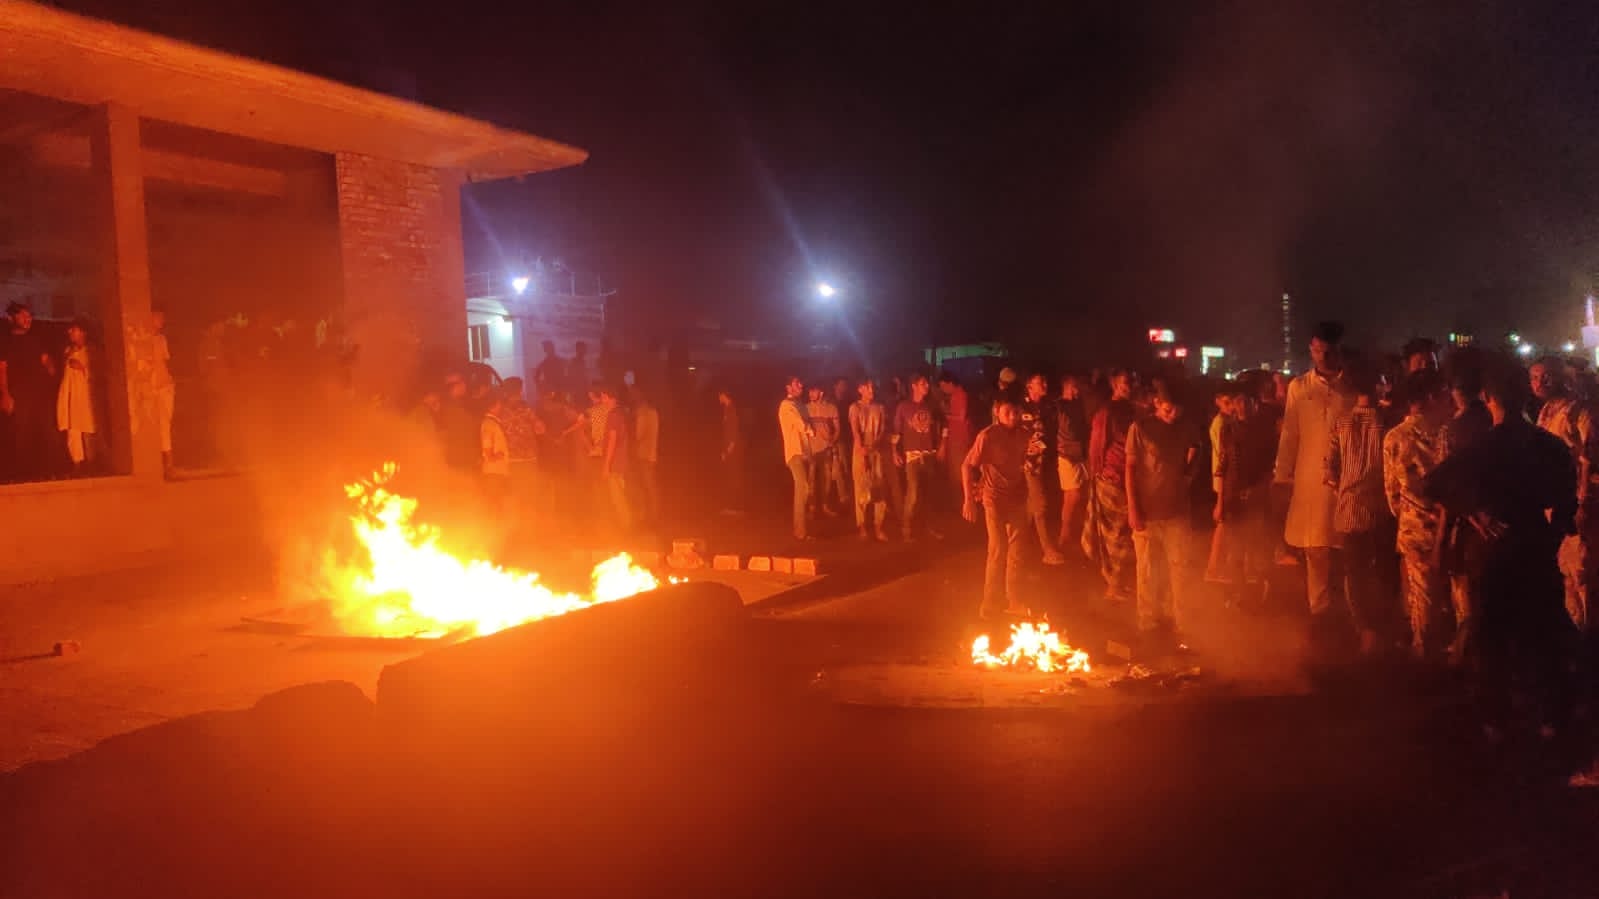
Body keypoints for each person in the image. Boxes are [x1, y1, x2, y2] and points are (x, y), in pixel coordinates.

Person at [1423, 359, 1578, 735]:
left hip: (1490, 552)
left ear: (1488, 398)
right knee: (1542, 632)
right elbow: (1566, 500)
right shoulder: (1549, 446)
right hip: (1534, 545)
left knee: (1490, 635)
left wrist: (1473, 511)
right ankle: (1550, 715)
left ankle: (1496, 715)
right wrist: (1551, 536)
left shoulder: (1481, 447)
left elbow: (1432, 485)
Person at [1274, 321, 1347, 625]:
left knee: (1344, 547)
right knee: (1315, 548)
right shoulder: (1299, 387)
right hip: (1309, 480)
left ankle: (1348, 612)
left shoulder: (1351, 388)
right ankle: (1320, 612)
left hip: (1345, 481)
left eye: (1328, 351)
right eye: (1317, 351)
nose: (1322, 357)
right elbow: (1290, 433)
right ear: (1311, 350)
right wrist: (1282, 472)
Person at [1125, 384, 1201, 649]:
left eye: (1177, 410)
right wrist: (1133, 508)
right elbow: (1130, 469)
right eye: (1168, 410)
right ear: (1157, 403)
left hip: (1177, 511)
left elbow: (1197, 450)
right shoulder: (1140, 428)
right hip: (1147, 511)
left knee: (1180, 569)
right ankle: (1147, 623)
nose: (1172, 415)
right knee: (1147, 570)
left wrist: (1187, 478)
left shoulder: (1187, 427)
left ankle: (1182, 624)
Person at [1324, 366, 1393, 654]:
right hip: (1380, 509)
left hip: (1349, 509)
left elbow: (1329, 469)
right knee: (1382, 572)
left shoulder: (1341, 421)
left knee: (1355, 574)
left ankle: (1364, 629)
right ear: (1376, 388)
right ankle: (1383, 629)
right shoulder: (1386, 421)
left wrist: (1341, 487)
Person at [1383, 369, 1451, 658]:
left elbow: (1392, 493)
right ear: (1431, 397)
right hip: (1454, 525)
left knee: (1422, 595)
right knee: (1459, 595)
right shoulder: (1447, 433)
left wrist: (1409, 513)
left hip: (1415, 527)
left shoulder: (1394, 437)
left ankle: (1424, 653)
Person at [1530, 356, 1598, 634]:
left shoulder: (1580, 411)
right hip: (1555, 509)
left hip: (1577, 508)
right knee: (1565, 575)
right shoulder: (1545, 412)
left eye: (1546, 376)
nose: (1540, 383)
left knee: (1584, 576)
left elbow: (1589, 459)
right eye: (1534, 378)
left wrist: (1584, 503)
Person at [963, 397, 1031, 620]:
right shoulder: (987, 436)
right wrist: (969, 499)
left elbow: (1026, 460)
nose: (1013, 416)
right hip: (994, 499)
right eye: (1007, 412)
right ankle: (990, 602)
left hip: (1017, 497)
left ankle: (1014, 600)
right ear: (997, 413)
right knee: (997, 549)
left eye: (1015, 411)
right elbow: (967, 466)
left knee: (1017, 552)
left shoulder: (1024, 434)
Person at [1086, 370, 1139, 602]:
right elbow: (1096, 448)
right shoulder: (1106, 413)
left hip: (1128, 477)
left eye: (1132, 382)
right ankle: (1113, 585)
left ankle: (1118, 582)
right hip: (1111, 478)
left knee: (1124, 534)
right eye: (1126, 382)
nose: (1130, 386)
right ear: (1115, 384)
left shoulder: (1130, 409)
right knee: (1114, 535)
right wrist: (1099, 475)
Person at [0, 302, 59, 481]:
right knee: (21, 434)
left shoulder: (35, 339)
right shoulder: (6, 342)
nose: (28, 319)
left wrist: (51, 368)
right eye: (24, 316)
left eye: (30, 315)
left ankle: (50, 472)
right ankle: (21, 474)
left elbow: (46, 359)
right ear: (12, 318)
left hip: (41, 395)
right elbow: (2, 368)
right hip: (20, 396)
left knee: (48, 431)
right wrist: (5, 395)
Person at [1021, 373, 1066, 565]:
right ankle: (1047, 550)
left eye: (1045, 381)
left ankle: (1017, 544)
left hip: (1044, 463)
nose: (1045, 384)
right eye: (1041, 382)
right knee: (1040, 505)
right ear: (1030, 386)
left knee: (1031, 506)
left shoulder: (1047, 406)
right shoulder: (1023, 409)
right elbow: (1029, 439)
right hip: (1030, 464)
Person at [894, 373, 943, 541]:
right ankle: (906, 529)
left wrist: (942, 445)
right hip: (912, 457)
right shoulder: (903, 407)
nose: (926, 386)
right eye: (923, 383)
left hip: (928, 455)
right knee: (913, 493)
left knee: (929, 494)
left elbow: (942, 425)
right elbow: (896, 431)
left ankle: (928, 527)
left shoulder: (930, 406)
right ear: (913, 386)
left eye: (927, 383)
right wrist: (894, 452)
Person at [850, 378, 891, 541]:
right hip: (860, 451)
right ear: (860, 389)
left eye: (872, 387)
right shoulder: (855, 407)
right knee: (861, 489)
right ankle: (862, 526)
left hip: (876, 451)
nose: (871, 390)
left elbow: (882, 430)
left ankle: (878, 526)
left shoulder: (879, 407)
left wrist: (874, 446)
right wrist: (862, 449)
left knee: (879, 488)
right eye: (868, 387)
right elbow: (855, 430)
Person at [1055, 373, 1090, 559]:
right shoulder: (1058, 406)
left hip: (1081, 454)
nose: (1078, 390)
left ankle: (1075, 537)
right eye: (1074, 387)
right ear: (1067, 386)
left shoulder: (1078, 404)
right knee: (1072, 496)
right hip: (1067, 455)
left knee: (1079, 495)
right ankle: (1064, 537)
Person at [499, 378, 545, 522]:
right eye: (520, 390)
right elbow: (539, 428)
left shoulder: (514, 409)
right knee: (523, 495)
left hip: (521, 459)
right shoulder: (513, 409)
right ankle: (523, 524)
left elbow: (539, 427)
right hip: (519, 460)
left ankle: (525, 524)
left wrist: (538, 426)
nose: (521, 393)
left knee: (524, 494)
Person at [56, 321, 98, 475]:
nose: (70, 332)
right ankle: (77, 464)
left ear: (83, 332)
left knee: (88, 428)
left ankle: (92, 463)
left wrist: (83, 368)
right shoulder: (68, 351)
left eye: (74, 329)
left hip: (86, 397)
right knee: (73, 430)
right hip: (71, 396)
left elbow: (100, 374)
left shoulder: (92, 351)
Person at [778, 376, 814, 541]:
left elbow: (808, 425)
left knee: (804, 489)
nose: (801, 385)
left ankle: (801, 529)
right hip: (794, 453)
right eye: (796, 383)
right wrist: (809, 429)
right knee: (803, 487)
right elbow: (800, 423)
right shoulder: (786, 405)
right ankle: (799, 531)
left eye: (800, 383)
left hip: (805, 453)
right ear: (788, 387)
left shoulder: (801, 405)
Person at [595, 384, 632, 532]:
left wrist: (606, 465)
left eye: (604, 397)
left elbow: (613, 439)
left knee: (618, 496)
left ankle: (626, 527)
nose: (602, 400)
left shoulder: (613, 415)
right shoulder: (622, 413)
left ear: (611, 398)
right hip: (622, 460)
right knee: (621, 494)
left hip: (615, 462)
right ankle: (626, 524)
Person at [805, 383, 844, 518]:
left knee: (826, 478)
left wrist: (832, 440)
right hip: (811, 449)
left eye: (813, 391)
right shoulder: (806, 408)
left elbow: (837, 428)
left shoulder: (831, 408)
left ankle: (825, 505)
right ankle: (812, 507)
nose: (810, 394)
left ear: (821, 392)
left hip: (826, 449)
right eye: (810, 391)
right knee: (811, 479)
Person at [632, 385, 661, 527]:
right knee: (651, 486)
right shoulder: (654, 412)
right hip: (652, 453)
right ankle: (654, 515)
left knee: (646, 487)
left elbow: (639, 434)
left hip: (643, 454)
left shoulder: (642, 412)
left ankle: (650, 517)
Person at [940, 371, 974, 494]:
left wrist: (946, 415)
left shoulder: (960, 394)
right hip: (956, 438)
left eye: (943, 386)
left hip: (959, 439)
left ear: (950, 383)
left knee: (959, 470)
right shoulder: (955, 395)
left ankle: (962, 496)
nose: (942, 389)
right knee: (956, 469)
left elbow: (961, 417)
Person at [151, 309, 175, 476]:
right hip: (152, 388)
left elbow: (165, 362)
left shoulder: (161, 339)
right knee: (155, 426)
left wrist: (169, 380)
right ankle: (162, 464)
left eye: (162, 318)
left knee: (165, 424)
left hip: (165, 387)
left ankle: (168, 464)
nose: (162, 321)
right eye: (158, 317)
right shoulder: (144, 340)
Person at [717, 388, 744, 516]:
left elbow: (733, 431)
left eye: (720, 395)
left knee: (733, 477)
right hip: (729, 450)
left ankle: (734, 506)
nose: (718, 398)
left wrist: (728, 450)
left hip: (732, 451)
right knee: (731, 476)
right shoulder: (727, 409)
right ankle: (732, 505)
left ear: (724, 395)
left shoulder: (731, 410)